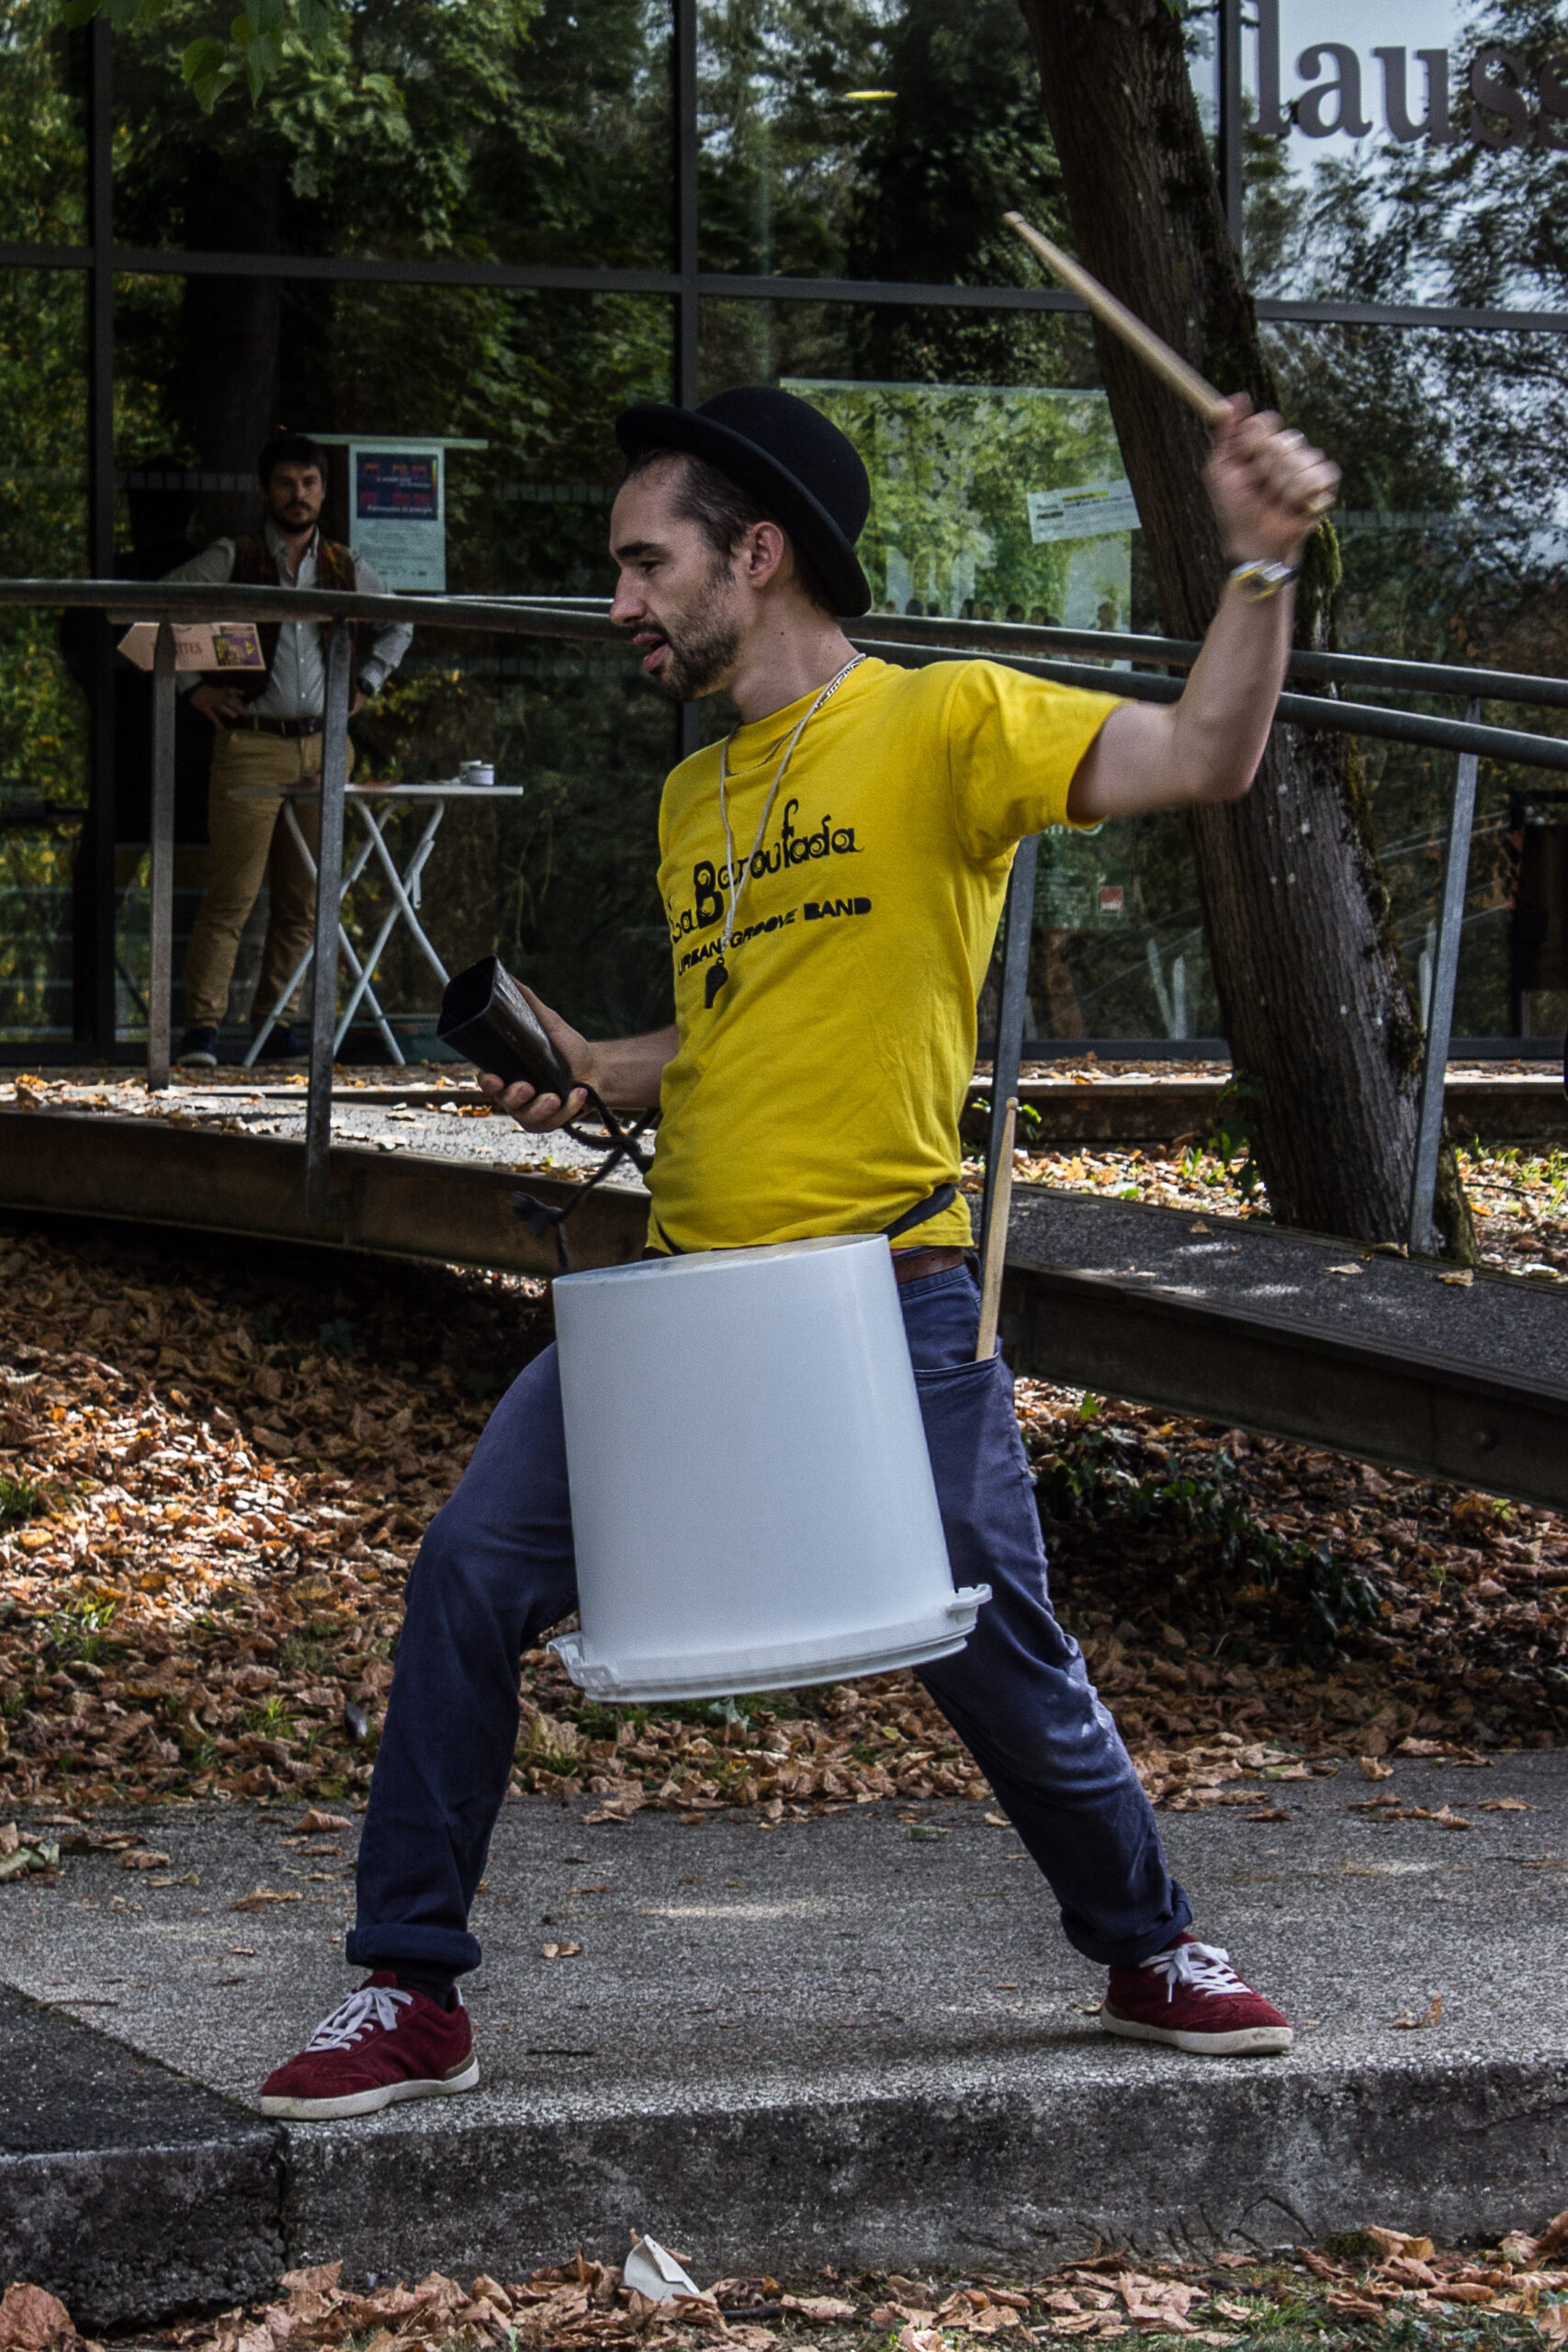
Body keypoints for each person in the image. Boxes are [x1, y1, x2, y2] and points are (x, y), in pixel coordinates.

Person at [256, 384, 1337, 2120]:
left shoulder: (946, 720)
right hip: (682, 1302)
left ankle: (1149, 1946)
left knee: (985, 1631)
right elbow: (730, 1033)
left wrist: (1260, 564)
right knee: (465, 1570)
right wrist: (590, 1065)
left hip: (886, 1285)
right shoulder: (694, 795)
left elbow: (1206, 753)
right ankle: (406, 1985)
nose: (618, 600)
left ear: (754, 554)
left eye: (644, 561)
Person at [165, 433, 412, 1068]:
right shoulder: (233, 557)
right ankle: (201, 1032)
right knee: (233, 895)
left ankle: (277, 1027)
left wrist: (366, 683)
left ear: (323, 491)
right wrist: (194, 688)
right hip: (252, 743)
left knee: (305, 899)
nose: (297, 494)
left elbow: (400, 622)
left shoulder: (344, 566)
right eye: (285, 482)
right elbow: (158, 610)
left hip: (326, 745)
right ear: (265, 489)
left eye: (308, 483)